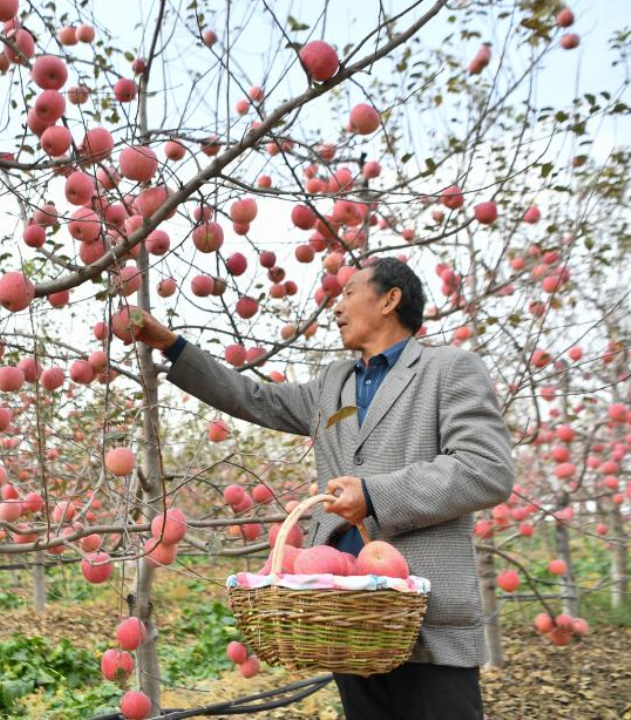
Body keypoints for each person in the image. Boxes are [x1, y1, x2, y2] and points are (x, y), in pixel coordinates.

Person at [132, 257, 514, 720]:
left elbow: (487, 468)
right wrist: (173, 347)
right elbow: (255, 399)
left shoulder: (448, 370)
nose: (337, 306)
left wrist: (374, 494)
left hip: (423, 617)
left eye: (350, 292)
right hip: (343, 610)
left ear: (390, 299)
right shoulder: (335, 382)